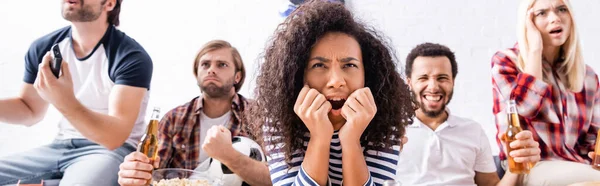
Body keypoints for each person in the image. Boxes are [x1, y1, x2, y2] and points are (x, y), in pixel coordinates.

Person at [250, 0, 415, 185]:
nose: (336, 81)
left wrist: (351, 141)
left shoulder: (385, 117)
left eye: (349, 65)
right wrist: (319, 138)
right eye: (319, 65)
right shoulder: (279, 117)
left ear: (366, 75)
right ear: (298, 75)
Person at [0, 0, 152, 185]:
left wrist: (64, 100)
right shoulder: (44, 47)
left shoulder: (130, 57)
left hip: (108, 151)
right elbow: (30, 110)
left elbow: (114, 138)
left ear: (109, 4)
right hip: (59, 146)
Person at [117, 40, 272, 186]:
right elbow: (151, 173)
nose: (211, 69)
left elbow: (278, 179)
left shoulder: (259, 115)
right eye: (205, 64)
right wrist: (134, 172)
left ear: (237, 76)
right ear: (197, 73)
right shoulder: (174, 118)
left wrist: (228, 155)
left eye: (222, 65)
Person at [396, 42, 541, 186]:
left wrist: (517, 164)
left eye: (442, 78)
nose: (433, 87)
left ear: (453, 81)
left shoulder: (473, 130)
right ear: (409, 82)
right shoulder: (393, 131)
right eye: (423, 78)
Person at [491, 0, 600, 185]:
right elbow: (526, 108)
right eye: (541, 13)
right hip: (528, 166)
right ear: (528, 23)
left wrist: (593, 155)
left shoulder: (587, 75)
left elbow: (591, 139)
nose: (555, 18)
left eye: (562, 9)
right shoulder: (506, 61)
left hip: (576, 165)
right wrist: (535, 49)